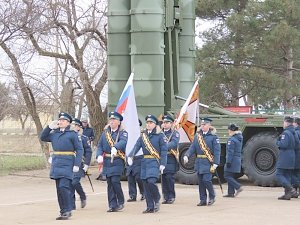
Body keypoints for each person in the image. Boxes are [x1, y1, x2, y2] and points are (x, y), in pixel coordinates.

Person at [40, 112, 84, 220]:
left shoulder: (72, 134)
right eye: (59, 120)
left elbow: (80, 149)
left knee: (63, 186)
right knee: (59, 189)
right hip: (57, 163)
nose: (60, 122)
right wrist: (49, 127)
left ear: (68, 123)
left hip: (68, 163)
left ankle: (68, 210)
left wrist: (77, 164)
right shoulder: (54, 133)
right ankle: (63, 211)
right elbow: (43, 137)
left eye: (63, 121)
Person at [128, 115, 168, 213]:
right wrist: (131, 156)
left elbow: (164, 150)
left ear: (155, 124)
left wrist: (163, 163)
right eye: (148, 123)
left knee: (151, 181)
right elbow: (137, 146)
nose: (149, 124)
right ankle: (150, 206)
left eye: (151, 123)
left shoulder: (160, 135)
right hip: (144, 162)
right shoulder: (143, 135)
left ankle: (157, 198)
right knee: (145, 184)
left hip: (155, 161)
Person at [183, 117, 220, 206]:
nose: (202, 126)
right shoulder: (197, 136)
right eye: (202, 124)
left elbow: (217, 151)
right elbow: (192, 148)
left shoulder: (213, 137)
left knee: (207, 180)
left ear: (209, 125)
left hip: (208, 162)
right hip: (199, 162)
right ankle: (202, 199)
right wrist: (186, 155)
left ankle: (212, 196)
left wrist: (216, 163)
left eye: (204, 124)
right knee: (201, 182)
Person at [96, 111, 128, 212]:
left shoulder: (123, 133)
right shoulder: (105, 133)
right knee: (109, 182)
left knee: (115, 181)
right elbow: (100, 145)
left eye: (114, 120)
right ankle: (112, 205)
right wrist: (99, 155)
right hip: (107, 160)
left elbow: (123, 142)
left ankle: (120, 201)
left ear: (119, 122)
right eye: (111, 120)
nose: (112, 121)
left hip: (118, 160)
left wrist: (115, 147)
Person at [71, 118, 92, 209]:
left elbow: (88, 152)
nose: (74, 127)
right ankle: (71, 204)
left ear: (79, 127)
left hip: (79, 163)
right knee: (69, 183)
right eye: (72, 125)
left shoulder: (83, 138)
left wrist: (87, 164)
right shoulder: (68, 136)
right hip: (69, 163)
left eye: (76, 125)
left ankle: (82, 195)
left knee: (74, 182)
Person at [276, 116, 298, 200]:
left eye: (284, 122)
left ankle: (290, 189)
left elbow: (283, 144)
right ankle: (287, 195)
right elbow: (297, 144)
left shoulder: (286, 133)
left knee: (279, 174)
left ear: (287, 123)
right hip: (292, 155)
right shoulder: (294, 132)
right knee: (288, 175)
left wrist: (278, 142)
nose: (283, 124)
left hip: (285, 156)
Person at [161, 115, 180, 204]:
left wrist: (163, 147)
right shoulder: (160, 133)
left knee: (169, 177)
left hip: (170, 158)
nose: (165, 124)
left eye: (167, 123)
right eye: (164, 122)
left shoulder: (174, 133)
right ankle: (165, 196)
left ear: (171, 123)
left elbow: (174, 143)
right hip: (161, 158)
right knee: (163, 178)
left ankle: (171, 196)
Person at [126, 119, 145, 202]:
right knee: (130, 176)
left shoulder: (141, 134)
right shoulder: (127, 133)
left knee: (138, 177)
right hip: (129, 156)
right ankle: (132, 195)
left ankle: (143, 193)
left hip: (139, 156)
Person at [223, 123, 243, 198]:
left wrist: (228, 161)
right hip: (237, 159)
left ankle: (238, 187)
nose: (228, 132)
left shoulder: (231, 140)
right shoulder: (239, 138)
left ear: (231, 130)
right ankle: (230, 193)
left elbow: (230, 152)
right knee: (230, 175)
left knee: (226, 175)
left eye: (228, 130)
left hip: (232, 160)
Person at [292, 117, 300, 197]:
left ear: (296, 123)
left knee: (294, 173)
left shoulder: (296, 132)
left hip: (297, 155)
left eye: (293, 123)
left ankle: (294, 191)